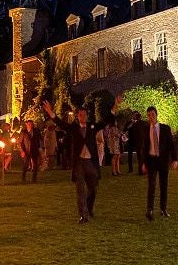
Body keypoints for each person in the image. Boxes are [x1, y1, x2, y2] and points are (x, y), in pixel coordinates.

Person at [42, 95, 121, 223]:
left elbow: (106, 120)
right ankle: (83, 215)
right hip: (79, 163)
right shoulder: (74, 128)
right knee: (80, 191)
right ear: (77, 117)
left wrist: (115, 106)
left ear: (87, 116)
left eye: (84, 114)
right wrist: (50, 112)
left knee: (93, 189)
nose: (82, 116)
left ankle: (89, 208)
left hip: (90, 163)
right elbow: (61, 123)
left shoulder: (92, 127)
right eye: (79, 115)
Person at [141, 106, 178, 220]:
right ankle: (150, 210)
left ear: (156, 115)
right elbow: (144, 147)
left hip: (162, 161)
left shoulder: (165, 129)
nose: (151, 117)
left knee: (163, 185)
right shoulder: (146, 129)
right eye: (149, 115)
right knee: (151, 186)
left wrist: (174, 159)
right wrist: (144, 163)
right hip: (151, 160)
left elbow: (172, 145)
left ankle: (163, 208)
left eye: (152, 114)